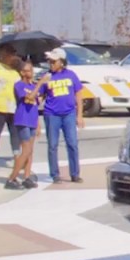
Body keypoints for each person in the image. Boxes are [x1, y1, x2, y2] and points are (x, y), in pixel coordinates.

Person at [41, 48, 84, 183]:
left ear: (62, 62)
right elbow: (40, 96)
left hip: (69, 113)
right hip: (52, 114)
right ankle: (55, 174)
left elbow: (78, 94)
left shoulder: (71, 75)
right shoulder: (47, 76)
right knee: (52, 145)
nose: (51, 64)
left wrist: (80, 115)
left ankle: (75, 173)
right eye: (50, 61)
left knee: (72, 143)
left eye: (54, 61)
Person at [6, 62, 41, 190]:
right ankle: (12, 178)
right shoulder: (19, 85)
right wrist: (40, 83)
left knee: (30, 151)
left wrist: (38, 123)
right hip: (22, 119)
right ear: (21, 72)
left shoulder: (32, 85)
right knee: (25, 150)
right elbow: (29, 98)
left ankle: (26, 177)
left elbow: (35, 105)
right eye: (26, 71)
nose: (29, 73)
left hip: (32, 120)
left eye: (31, 70)